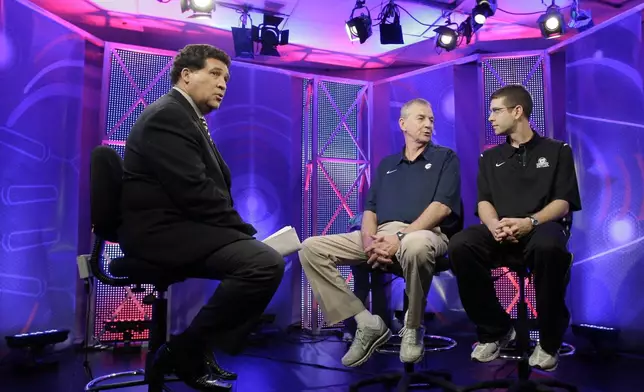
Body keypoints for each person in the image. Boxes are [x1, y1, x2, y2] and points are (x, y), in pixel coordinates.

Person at [118, 44, 285, 391]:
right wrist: (242, 231)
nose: (223, 84)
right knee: (263, 263)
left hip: (181, 226)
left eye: (226, 78)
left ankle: (197, 347)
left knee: (262, 259)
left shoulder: (188, 118)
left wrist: (239, 233)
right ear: (187, 75)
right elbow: (194, 192)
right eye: (214, 74)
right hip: (160, 233)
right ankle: (186, 350)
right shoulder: (168, 116)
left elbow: (204, 190)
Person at [298, 98, 461, 367]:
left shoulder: (445, 158)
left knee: (417, 244)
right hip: (380, 234)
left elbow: (442, 207)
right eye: (421, 118)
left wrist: (399, 238)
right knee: (311, 248)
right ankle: (366, 322)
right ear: (403, 124)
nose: (428, 124)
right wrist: (370, 243)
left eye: (431, 119)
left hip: (426, 232)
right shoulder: (387, 164)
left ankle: (413, 327)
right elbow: (370, 211)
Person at [447, 84, 581, 371]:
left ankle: (548, 341)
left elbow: (563, 202)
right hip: (501, 231)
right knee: (460, 244)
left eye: (496, 111)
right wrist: (494, 225)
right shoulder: (489, 158)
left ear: (517, 111)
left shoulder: (558, 151)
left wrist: (529, 222)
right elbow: (483, 202)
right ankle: (495, 330)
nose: (491, 118)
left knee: (548, 246)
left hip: (541, 227)